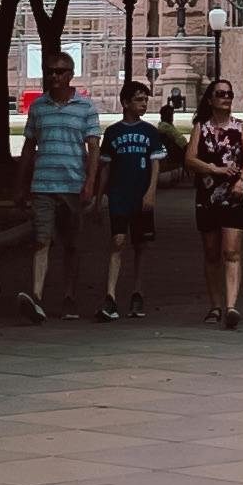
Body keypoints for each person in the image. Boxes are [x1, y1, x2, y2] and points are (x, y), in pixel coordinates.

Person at [17, 53, 97, 319]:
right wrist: (21, 184)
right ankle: (36, 297)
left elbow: (93, 148)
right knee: (41, 241)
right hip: (43, 184)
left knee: (71, 244)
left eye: (60, 71)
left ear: (71, 74)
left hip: (73, 185)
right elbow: (29, 146)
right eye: (50, 71)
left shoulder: (86, 107)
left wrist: (90, 183)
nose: (54, 76)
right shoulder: (38, 107)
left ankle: (69, 297)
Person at [95, 78, 164, 318]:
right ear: (125, 103)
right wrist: (98, 199)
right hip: (119, 195)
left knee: (140, 245)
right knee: (117, 242)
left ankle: (137, 292)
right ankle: (110, 296)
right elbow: (105, 168)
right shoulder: (113, 133)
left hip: (140, 195)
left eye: (145, 100)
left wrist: (151, 192)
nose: (144, 104)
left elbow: (155, 165)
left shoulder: (150, 132)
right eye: (138, 100)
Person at [193, 74, 243, 324]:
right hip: (207, 196)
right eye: (220, 94)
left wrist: (242, 181)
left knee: (231, 251)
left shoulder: (240, 127)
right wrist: (214, 169)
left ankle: (231, 306)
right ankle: (215, 306)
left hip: (234, 196)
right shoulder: (201, 128)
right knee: (211, 252)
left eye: (229, 94)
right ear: (210, 100)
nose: (226, 98)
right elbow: (190, 159)